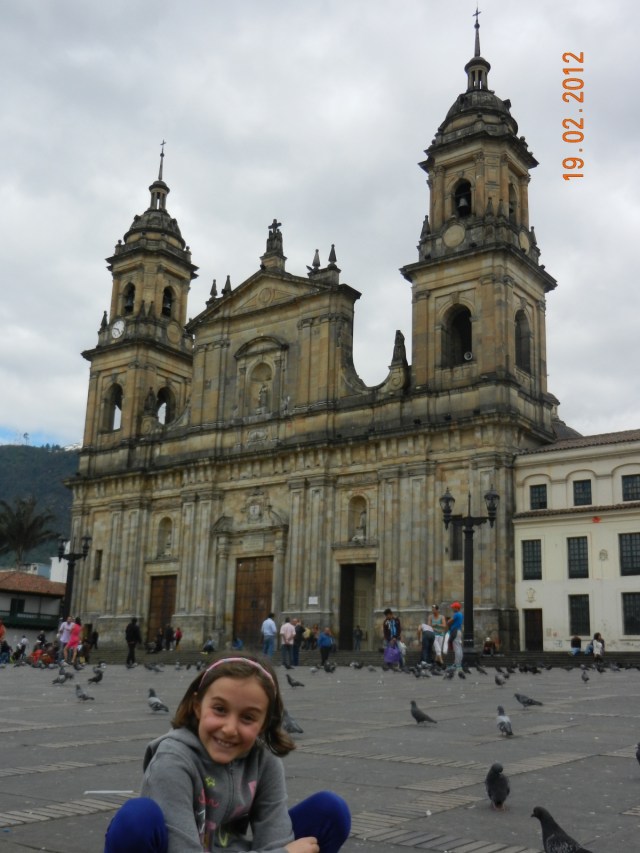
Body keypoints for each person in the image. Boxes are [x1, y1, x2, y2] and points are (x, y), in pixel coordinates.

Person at [103, 654, 351, 852]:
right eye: (220, 709)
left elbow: (275, 840)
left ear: (264, 724)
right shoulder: (172, 761)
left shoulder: (264, 761)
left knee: (330, 811)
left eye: (248, 717)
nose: (230, 729)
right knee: (136, 820)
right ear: (197, 706)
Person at [446, 601, 464, 669]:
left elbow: (449, 621)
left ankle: (457, 664)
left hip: (455, 631)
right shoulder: (461, 614)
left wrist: (449, 621)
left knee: (456, 648)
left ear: (456, 608)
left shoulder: (456, 614)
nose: (452, 609)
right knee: (459, 647)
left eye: (453, 607)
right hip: (458, 631)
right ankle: (459, 663)